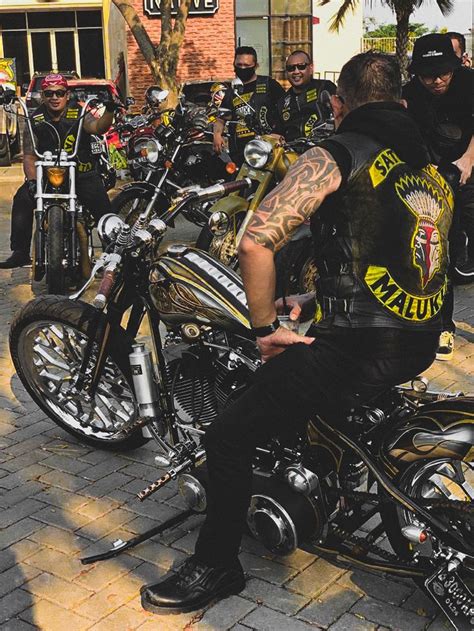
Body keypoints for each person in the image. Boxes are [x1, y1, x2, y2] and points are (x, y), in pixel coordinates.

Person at [140, 51, 453, 615]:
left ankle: (216, 564)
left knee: (228, 436)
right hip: (421, 337)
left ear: (338, 103)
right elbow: (398, 251)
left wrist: (265, 330)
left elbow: (255, 241)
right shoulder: (426, 162)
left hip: (361, 347)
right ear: (401, 101)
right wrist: (316, 297)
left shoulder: (335, 152)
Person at [402, 33, 474, 360]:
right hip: (436, 180)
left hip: (469, 169)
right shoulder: (409, 95)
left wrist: (469, 159)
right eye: (428, 75)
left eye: (444, 73)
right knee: (440, 252)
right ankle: (444, 325)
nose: (437, 81)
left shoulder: (468, 83)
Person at [0, 74, 115, 269]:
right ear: (42, 96)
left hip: (81, 174)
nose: (55, 97)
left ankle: (114, 254)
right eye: (49, 93)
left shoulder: (79, 112)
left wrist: (109, 110)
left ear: (67, 95)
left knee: (103, 209)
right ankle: (20, 252)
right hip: (48, 176)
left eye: (60, 93)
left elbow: (97, 127)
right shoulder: (35, 119)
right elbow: (29, 156)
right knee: (22, 198)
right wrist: (32, 182)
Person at [213, 46, 285, 165]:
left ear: (255, 66)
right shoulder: (232, 91)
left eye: (247, 65)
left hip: (267, 150)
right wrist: (217, 135)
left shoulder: (269, 85)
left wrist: (279, 133)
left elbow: (286, 111)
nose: (242, 68)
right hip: (239, 153)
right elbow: (221, 118)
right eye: (239, 65)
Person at [275, 49, 336, 142]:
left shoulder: (324, 88)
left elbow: (341, 116)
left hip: (324, 146)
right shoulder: (282, 102)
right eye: (291, 68)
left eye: (301, 66)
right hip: (294, 149)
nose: (296, 71)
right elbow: (278, 134)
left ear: (311, 68)